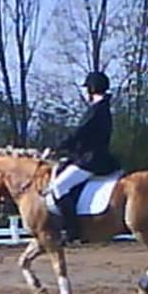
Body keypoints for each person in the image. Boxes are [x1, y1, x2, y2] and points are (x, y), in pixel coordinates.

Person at [46, 71, 121, 243]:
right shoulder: (102, 108)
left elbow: (79, 133)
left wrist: (57, 148)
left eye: (88, 88)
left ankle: (73, 230)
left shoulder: (96, 110)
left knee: (58, 186)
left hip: (90, 160)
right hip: (92, 157)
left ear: (92, 89)